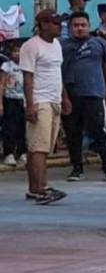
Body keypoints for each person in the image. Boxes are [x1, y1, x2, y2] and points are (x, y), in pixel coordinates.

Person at [61, 12, 106, 181]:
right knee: (73, 133)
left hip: (94, 94)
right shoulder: (62, 46)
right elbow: (58, 72)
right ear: (70, 28)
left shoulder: (99, 44)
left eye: (83, 25)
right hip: (71, 96)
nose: (79, 28)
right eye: (76, 25)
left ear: (89, 25)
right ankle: (77, 168)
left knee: (98, 130)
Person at [21, 10, 69, 203]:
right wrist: (30, 104)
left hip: (54, 99)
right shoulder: (31, 46)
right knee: (39, 147)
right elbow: (27, 78)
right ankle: (41, 188)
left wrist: (64, 97)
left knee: (41, 148)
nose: (59, 26)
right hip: (40, 101)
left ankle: (34, 187)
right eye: (55, 23)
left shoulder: (57, 45)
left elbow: (58, 73)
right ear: (43, 25)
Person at [1, 41, 27, 166]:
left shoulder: (26, 65)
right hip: (10, 99)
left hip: (23, 99)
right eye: (14, 51)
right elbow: (2, 84)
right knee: (10, 126)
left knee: (22, 126)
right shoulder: (7, 66)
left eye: (19, 51)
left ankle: (22, 151)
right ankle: (9, 153)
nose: (17, 54)